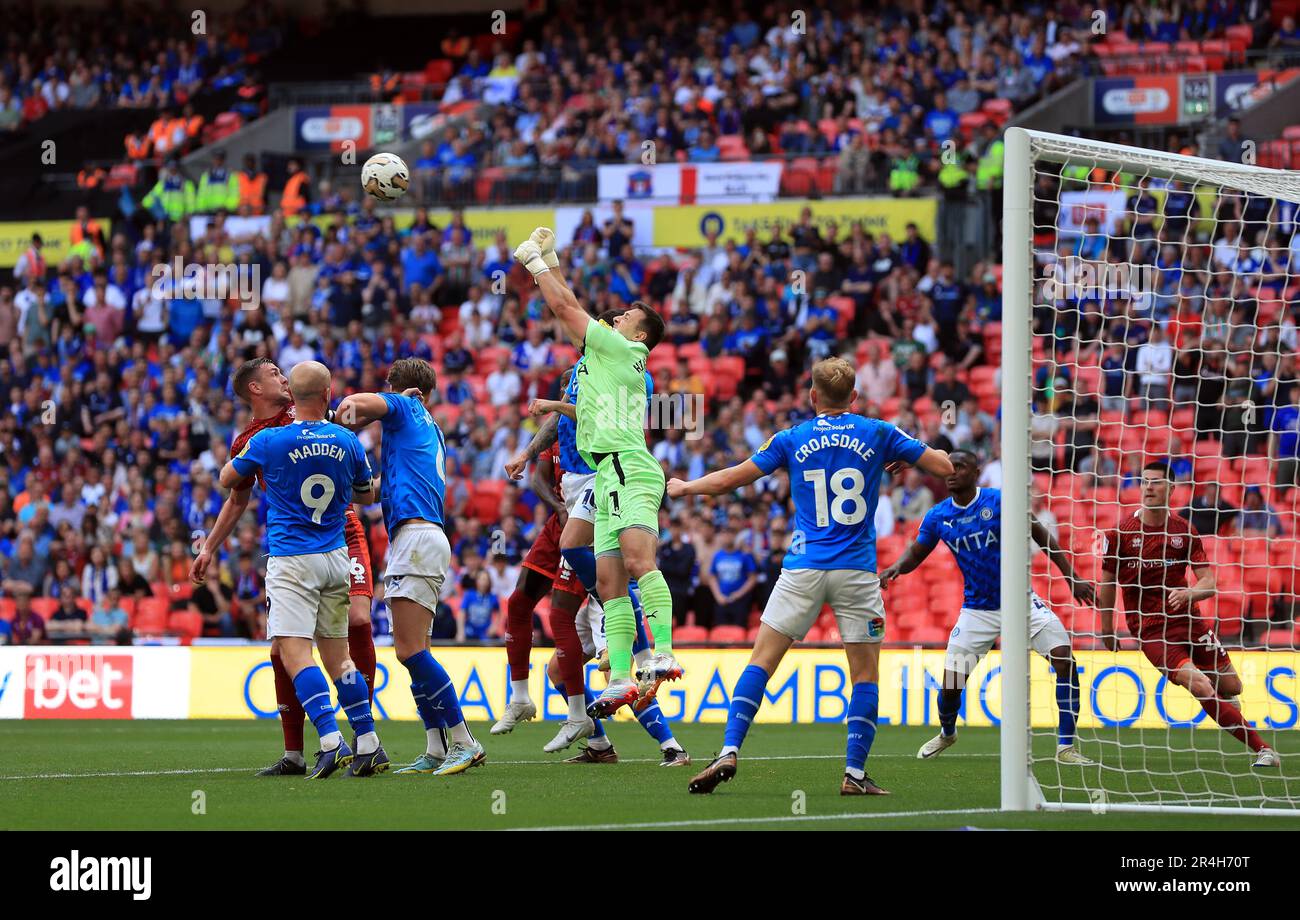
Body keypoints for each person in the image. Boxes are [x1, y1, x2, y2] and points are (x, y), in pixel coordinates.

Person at [669, 357, 954, 796]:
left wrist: (687, 487)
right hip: (857, 571)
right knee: (864, 677)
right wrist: (904, 454)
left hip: (803, 566)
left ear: (812, 395)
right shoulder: (879, 432)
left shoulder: (791, 437)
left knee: (761, 663)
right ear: (854, 397)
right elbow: (944, 468)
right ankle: (854, 775)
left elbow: (732, 480)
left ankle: (728, 749)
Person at [515, 228, 679, 719]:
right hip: (605, 476)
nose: (619, 314)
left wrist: (533, 266)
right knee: (607, 582)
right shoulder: (601, 356)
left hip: (629, 466)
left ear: (639, 335)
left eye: (627, 315)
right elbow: (569, 308)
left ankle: (664, 650)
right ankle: (625, 675)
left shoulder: (626, 353)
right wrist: (553, 258)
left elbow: (565, 310)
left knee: (635, 562)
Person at [190, 356, 377, 778]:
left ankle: (357, 737)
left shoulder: (307, 411)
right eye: (273, 372)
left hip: (338, 532)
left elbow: (354, 411)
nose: (282, 374)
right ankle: (296, 753)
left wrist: (396, 403)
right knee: (283, 651)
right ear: (255, 389)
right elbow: (236, 499)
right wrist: (209, 549)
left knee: (359, 623)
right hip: (315, 547)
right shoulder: (251, 438)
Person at [879, 450, 1096, 764]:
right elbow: (917, 552)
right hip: (977, 610)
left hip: (1020, 601)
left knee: (1065, 660)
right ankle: (947, 732)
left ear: (976, 472)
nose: (952, 472)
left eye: (961, 466)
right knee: (952, 685)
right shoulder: (939, 515)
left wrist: (1072, 578)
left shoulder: (999, 501)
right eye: (949, 467)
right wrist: (896, 568)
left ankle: (1065, 746)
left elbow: (1042, 536)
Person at [336, 358, 486, 776]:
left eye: (390, 385)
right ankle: (436, 747)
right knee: (417, 651)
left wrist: (331, 423)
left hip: (417, 539)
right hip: (423, 537)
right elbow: (376, 493)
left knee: (409, 651)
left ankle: (464, 741)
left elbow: (353, 404)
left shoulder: (406, 408)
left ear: (403, 388)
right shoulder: (427, 430)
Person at [1098, 461, 1279, 769]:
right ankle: (1264, 750)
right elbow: (1107, 583)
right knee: (1201, 685)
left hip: (1190, 621)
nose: (1149, 487)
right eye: (1144, 482)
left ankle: (1222, 706)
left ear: (1171, 488)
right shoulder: (1120, 533)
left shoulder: (1184, 530)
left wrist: (1189, 593)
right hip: (1151, 628)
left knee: (1232, 687)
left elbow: (1208, 581)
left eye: (1156, 482)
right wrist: (1106, 629)